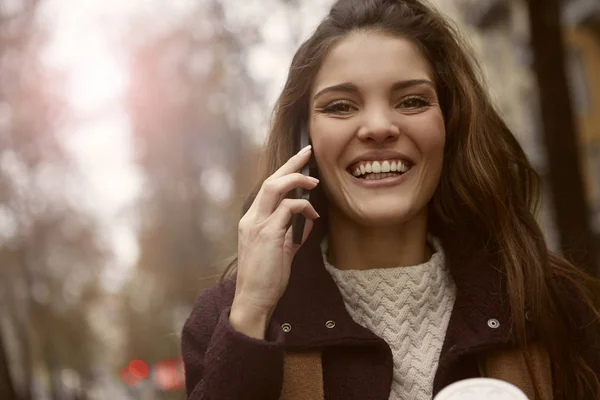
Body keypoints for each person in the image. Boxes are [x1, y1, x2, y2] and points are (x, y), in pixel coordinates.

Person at [181, 0, 600, 398]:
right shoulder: (228, 319)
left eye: (412, 101)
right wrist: (252, 312)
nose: (379, 127)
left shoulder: (549, 303)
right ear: (303, 139)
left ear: (449, 126)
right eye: (341, 106)